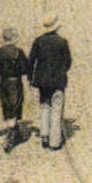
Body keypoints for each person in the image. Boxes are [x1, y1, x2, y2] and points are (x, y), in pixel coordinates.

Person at [0, 27, 31, 152]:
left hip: (4, 83)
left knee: (8, 106)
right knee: (16, 106)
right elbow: (26, 68)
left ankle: (13, 130)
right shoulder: (19, 52)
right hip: (16, 83)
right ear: (14, 38)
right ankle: (11, 136)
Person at [28, 16, 73, 151]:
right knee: (57, 109)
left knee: (45, 107)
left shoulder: (38, 41)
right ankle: (55, 141)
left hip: (43, 82)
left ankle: (44, 135)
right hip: (58, 82)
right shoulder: (62, 42)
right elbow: (68, 62)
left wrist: (31, 78)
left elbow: (31, 61)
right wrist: (61, 71)